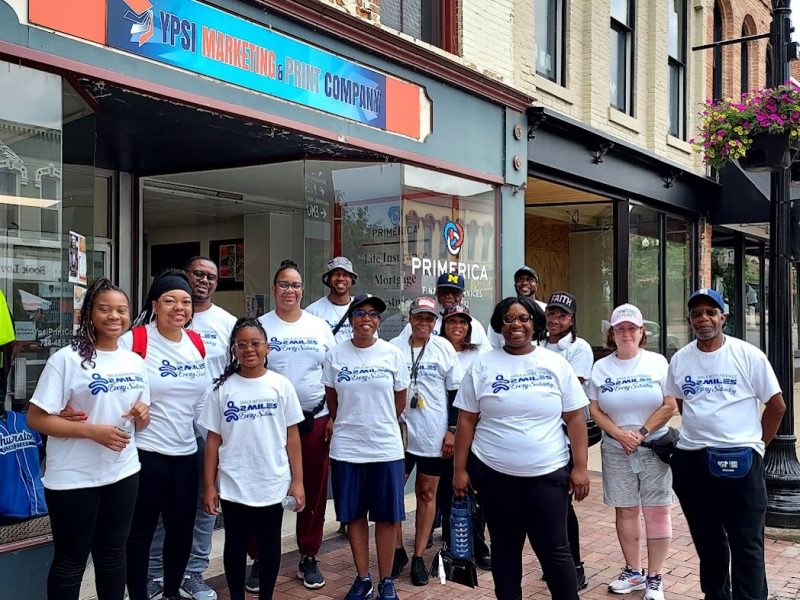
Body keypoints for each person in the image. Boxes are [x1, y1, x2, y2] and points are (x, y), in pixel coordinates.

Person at [453, 296, 590, 600]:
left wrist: (580, 467)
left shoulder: (555, 364)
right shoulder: (482, 365)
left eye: (524, 318)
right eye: (509, 319)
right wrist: (460, 470)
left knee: (555, 551)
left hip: (548, 475)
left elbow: (575, 419)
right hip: (494, 475)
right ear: (499, 326)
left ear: (535, 324)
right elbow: (466, 422)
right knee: (504, 550)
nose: (516, 325)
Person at [27, 277, 151, 600]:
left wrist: (142, 415)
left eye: (122, 310)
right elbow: (36, 418)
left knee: (113, 556)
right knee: (71, 561)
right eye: (105, 309)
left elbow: (143, 419)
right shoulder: (66, 360)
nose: (115, 317)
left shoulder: (135, 361)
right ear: (88, 314)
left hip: (123, 472)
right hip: (73, 477)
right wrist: (91, 432)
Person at [665, 289, 785, 600]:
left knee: (746, 542)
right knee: (708, 542)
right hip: (693, 460)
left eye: (710, 311)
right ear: (690, 320)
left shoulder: (748, 355)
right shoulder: (680, 359)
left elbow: (776, 405)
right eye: (696, 313)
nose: (702, 318)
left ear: (724, 317)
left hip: (740, 460)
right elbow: (681, 401)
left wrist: (758, 445)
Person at [147, 256, 235, 600]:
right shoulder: (145, 330)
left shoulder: (227, 323)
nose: (204, 280)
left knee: (204, 503)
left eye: (211, 276)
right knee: (158, 510)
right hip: (161, 432)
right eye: (198, 274)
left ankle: (193, 572)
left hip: (207, 430)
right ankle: (154, 574)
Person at [120, 269, 211, 600]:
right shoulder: (135, 340)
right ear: (155, 305)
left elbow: (203, 402)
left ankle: (171, 591)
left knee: (181, 528)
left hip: (186, 452)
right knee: (141, 531)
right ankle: (140, 594)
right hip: (146, 451)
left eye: (185, 302)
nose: (179, 308)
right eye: (170, 300)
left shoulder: (196, 343)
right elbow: (110, 384)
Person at [199, 317, 305, 600]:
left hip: (272, 480)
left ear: (267, 348)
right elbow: (213, 440)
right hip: (234, 483)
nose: (249, 349)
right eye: (241, 344)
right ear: (233, 349)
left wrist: (298, 482)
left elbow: (292, 436)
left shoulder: (280, 385)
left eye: (255, 343)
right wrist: (209, 485)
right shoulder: (222, 389)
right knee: (234, 546)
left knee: (270, 545)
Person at [322, 294, 409, 600]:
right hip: (347, 448)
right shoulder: (335, 355)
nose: (366, 319)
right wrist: (350, 420)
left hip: (385, 447)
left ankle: (387, 581)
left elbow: (399, 401)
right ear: (350, 318)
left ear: (378, 321)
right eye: (359, 313)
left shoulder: (392, 354)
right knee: (355, 515)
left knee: (386, 517)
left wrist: (378, 421)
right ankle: (363, 579)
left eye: (373, 314)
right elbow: (333, 401)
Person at [587, 303, 677, 600]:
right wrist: (617, 433)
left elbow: (669, 405)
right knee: (625, 510)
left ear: (641, 332)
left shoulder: (657, 362)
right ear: (611, 334)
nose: (626, 333)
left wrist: (640, 434)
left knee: (656, 510)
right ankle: (633, 571)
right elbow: (594, 408)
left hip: (653, 447)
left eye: (631, 328)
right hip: (616, 449)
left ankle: (655, 577)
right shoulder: (601, 367)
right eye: (619, 328)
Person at [257, 259, 335, 589]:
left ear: (303, 290)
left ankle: (308, 554)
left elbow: (333, 375)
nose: (290, 290)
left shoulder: (318, 327)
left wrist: (333, 415)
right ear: (274, 289)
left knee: (314, 490)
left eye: (296, 285)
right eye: (284, 284)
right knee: (264, 490)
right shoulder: (260, 326)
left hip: (313, 419)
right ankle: (260, 558)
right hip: (267, 424)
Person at [389, 296, 463, 585]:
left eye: (429, 318)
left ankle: (418, 555)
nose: (423, 322)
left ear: (436, 322)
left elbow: (456, 393)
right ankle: (396, 550)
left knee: (426, 493)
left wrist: (452, 431)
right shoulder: (394, 347)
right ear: (410, 318)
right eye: (419, 317)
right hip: (399, 434)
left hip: (434, 435)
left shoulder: (443, 348)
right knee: (393, 493)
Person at [541, 291, 594, 590]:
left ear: (572, 319)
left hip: (566, 434)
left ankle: (574, 564)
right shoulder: (536, 343)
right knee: (547, 504)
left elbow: (570, 389)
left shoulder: (579, 348)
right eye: (551, 313)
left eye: (562, 315)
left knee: (562, 504)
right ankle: (555, 562)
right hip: (544, 434)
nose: (555, 319)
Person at [436, 303, 492, 570]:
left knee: (475, 492)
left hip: (477, 433)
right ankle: (452, 546)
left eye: (463, 322)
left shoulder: (480, 354)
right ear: (443, 325)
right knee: (449, 491)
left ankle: (479, 546)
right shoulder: (435, 350)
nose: (457, 326)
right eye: (451, 322)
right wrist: (451, 430)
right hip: (446, 433)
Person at [400, 272, 492, 351]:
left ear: (462, 296)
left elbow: (486, 358)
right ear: (436, 293)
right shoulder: (420, 324)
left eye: (455, 293)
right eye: (444, 292)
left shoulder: (474, 325)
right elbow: (401, 349)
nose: (450, 296)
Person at [487, 266, 546, 349]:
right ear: (515, 285)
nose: (525, 283)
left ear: (536, 285)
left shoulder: (547, 311)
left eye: (530, 279)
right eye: (520, 279)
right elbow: (492, 345)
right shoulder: (503, 311)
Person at [306, 256, 359, 344]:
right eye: (336, 274)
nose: (340, 278)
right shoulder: (313, 311)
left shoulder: (361, 307)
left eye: (345, 275)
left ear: (351, 279)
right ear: (328, 279)